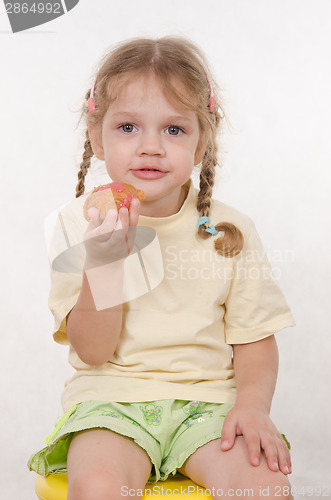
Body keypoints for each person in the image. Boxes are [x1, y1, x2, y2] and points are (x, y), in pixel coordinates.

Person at [28, 37, 295, 499]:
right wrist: (104, 265)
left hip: (208, 407)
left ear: (200, 145)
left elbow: (255, 340)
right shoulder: (79, 224)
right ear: (97, 138)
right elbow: (92, 352)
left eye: (173, 130)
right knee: (98, 486)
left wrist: (252, 407)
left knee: (265, 487)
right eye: (128, 126)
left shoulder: (230, 230)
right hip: (111, 403)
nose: (150, 146)